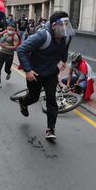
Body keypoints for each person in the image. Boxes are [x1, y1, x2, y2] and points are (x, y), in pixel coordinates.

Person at [17, 11, 74, 139]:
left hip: (51, 73)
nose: (65, 27)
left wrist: (64, 60)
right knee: (34, 97)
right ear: (54, 26)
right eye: (62, 24)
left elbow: (65, 49)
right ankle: (23, 102)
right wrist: (28, 70)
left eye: (67, 24)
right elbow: (22, 49)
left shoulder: (67, 37)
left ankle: (51, 129)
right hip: (35, 74)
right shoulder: (43, 36)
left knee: (51, 100)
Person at [0, 22, 20, 88]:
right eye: (9, 28)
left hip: (9, 55)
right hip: (2, 53)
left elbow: (15, 47)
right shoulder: (5, 33)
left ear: (14, 29)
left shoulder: (15, 36)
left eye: (12, 29)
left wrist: (6, 46)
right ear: (7, 28)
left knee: (6, 69)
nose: (10, 30)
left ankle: (9, 73)